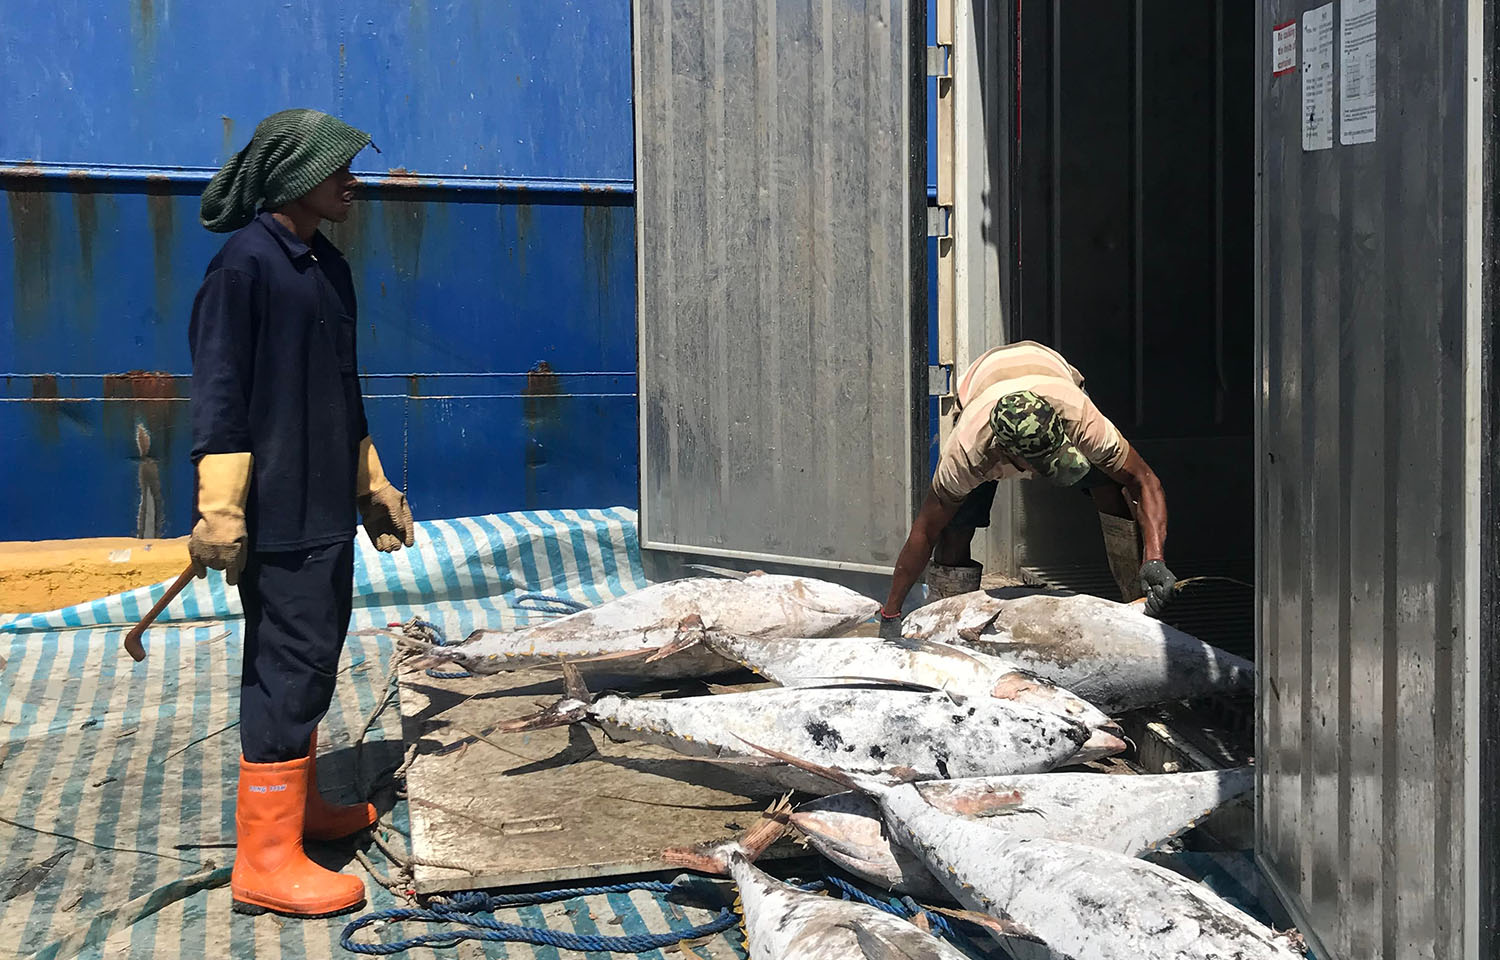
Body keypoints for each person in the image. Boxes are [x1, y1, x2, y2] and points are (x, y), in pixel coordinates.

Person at [189, 109, 415, 919]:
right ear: (293, 176)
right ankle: (265, 857)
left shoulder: (325, 266)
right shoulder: (242, 269)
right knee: (286, 667)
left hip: (325, 507)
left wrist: (371, 487)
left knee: (314, 655)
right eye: (339, 169)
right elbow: (219, 397)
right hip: (276, 513)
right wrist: (219, 509)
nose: (354, 181)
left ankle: (305, 807)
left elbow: (341, 392)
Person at [880, 341, 1175, 623]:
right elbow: (926, 531)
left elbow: (1144, 482)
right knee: (954, 529)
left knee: (1112, 493)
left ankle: (1137, 601)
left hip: (1049, 371)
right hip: (983, 382)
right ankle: (949, 620)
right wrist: (891, 611)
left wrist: (1154, 559)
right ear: (1006, 454)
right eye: (1041, 464)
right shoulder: (967, 454)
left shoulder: (1081, 421)